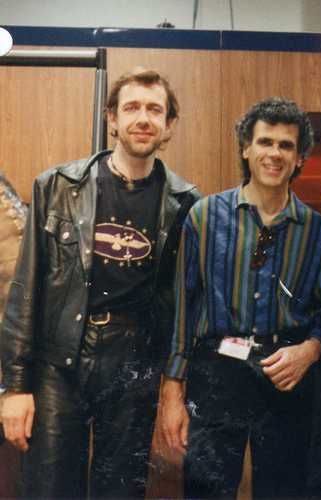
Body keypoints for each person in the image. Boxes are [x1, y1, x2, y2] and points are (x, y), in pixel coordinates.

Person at [0, 68, 200, 498]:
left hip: (134, 367)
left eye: (154, 110)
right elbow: (25, 291)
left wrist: (173, 383)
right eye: (132, 107)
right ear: (112, 118)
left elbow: (184, 306)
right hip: (59, 363)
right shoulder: (57, 187)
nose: (142, 118)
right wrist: (14, 387)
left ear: (169, 125)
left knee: (120, 492)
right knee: (49, 488)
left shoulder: (187, 204)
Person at [157, 97, 321, 498]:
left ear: (299, 158)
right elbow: (183, 310)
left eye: (286, 145)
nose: (274, 153)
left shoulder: (316, 232)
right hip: (216, 370)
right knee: (206, 491)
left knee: (285, 491)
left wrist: (310, 350)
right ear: (246, 148)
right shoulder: (204, 217)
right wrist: (172, 393)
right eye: (265, 142)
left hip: (287, 372)